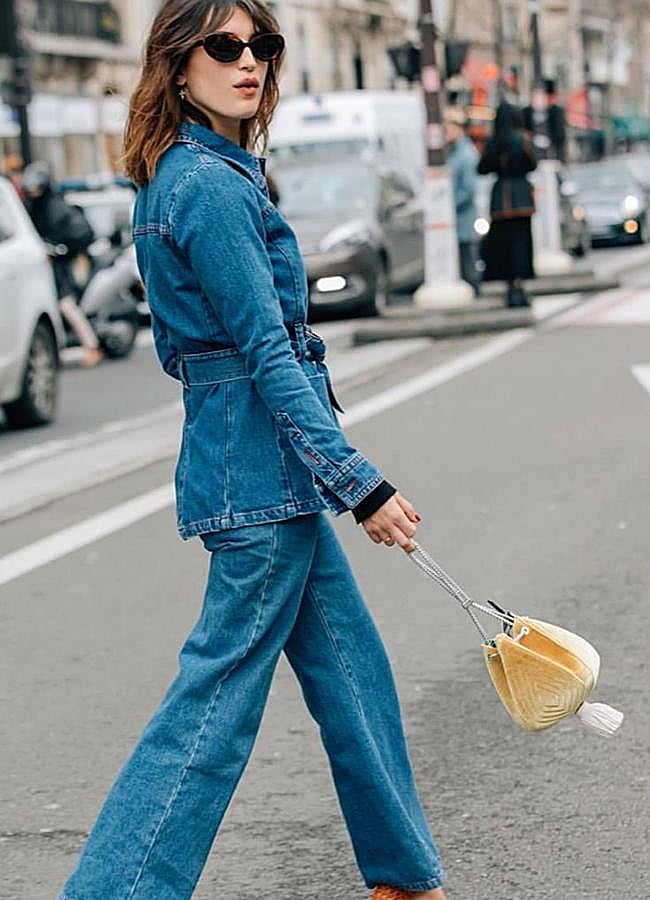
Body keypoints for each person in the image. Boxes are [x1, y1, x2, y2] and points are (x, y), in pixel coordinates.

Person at [57, 2, 447, 899]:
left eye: (262, 46)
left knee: (354, 675)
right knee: (214, 706)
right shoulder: (208, 186)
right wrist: (361, 484)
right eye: (224, 46)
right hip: (263, 477)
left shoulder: (188, 177)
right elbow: (267, 351)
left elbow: (185, 351)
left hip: (263, 470)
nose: (250, 63)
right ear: (177, 62)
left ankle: (405, 875)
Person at [22, 161, 103, 367]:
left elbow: (81, 234)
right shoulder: (30, 208)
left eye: (37, 187)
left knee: (66, 305)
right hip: (45, 264)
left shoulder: (58, 208)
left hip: (68, 262)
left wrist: (59, 249)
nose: (34, 192)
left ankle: (92, 345)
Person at [478, 101, 537, 308]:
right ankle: (519, 284)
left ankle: (509, 284)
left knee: (504, 245)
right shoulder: (522, 140)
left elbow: (482, 167)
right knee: (521, 243)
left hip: (500, 200)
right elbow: (533, 163)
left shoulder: (494, 142)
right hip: (521, 197)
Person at [444, 106, 480, 296]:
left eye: (449, 128)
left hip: (463, 219)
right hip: (455, 221)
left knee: (467, 261)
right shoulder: (451, 153)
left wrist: (448, 206)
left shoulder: (466, 154)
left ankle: (474, 290)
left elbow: (468, 188)